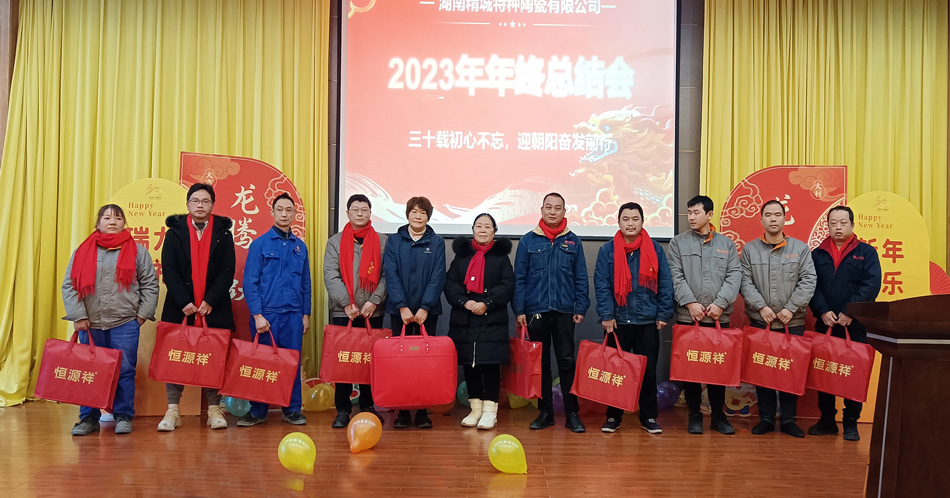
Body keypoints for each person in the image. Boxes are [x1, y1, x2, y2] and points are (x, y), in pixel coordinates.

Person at [62, 204, 160, 435]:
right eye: (106, 218)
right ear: (98, 223)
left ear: (124, 223)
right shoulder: (82, 251)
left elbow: (150, 284)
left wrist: (141, 315)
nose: (112, 222)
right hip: (90, 323)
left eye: (117, 218)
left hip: (124, 322)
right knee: (90, 371)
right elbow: (69, 285)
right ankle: (88, 418)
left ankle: (123, 415)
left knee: (125, 370)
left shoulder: (138, 251)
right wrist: (79, 316)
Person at [158, 183, 236, 431]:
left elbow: (227, 270)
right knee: (176, 357)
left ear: (212, 205)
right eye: (195, 200)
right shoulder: (174, 232)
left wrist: (210, 300)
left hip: (214, 306)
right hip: (181, 306)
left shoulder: (223, 233)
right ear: (188, 204)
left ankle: (214, 409)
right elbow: (169, 269)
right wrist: (184, 301)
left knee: (213, 357)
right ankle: (173, 411)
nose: (200, 205)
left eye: (205, 201)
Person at [513, 192, 590, 433]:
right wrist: (519, 309)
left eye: (558, 207)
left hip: (565, 310)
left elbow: (581, 277)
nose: (553, 211)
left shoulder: (573, 241)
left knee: (567, 361)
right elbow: (520, 278)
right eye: (548, 207)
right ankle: (545, 412)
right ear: (542, 210)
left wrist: (581, 306)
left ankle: (572, 414)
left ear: (564, 211)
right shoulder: (528, 241)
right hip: (536, 310)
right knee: (541, 364)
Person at [593, 202, 673, 434]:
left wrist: (663, 313)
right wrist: (607, 315)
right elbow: (601, 285)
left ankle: (648, 417)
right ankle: (613, 416)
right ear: (618, 222)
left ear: (642, 222)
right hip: (616, 322)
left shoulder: (655, 249)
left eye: (635, 219)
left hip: (647, 320)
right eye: (625, 219)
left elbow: (665, 282)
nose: (630, 223)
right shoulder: (607, 250)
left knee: (648, 372)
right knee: (614, 372)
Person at [739, 200, 817, 438]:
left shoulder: (800, 249)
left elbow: (808, 280)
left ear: (784, 218)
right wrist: (761, 307)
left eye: (777, 215)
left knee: (790, 372)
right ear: (761, 219)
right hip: (761, 322)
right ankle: (765, 418)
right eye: (768, 215)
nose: (773, 219)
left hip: (792, 323)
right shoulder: (750, 250)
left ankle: (789, 420)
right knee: (762, 372)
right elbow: (744, 281)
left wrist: (791, 308)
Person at [667, 195, 741, 435]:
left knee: (717, 371)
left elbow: (734, 275)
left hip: (718, 318)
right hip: (689, 318)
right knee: (690, 371)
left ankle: (719, 416)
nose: (691, 217)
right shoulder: (678, 243)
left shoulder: (726, 244)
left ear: (709, 215)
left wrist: (720, 304)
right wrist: (690, 303)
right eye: (689, 212)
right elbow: (675, 275)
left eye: (696, 212)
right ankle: (694, 415)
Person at [237, 193, 311, 426]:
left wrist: (305, 314)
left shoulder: (300, 247)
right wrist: (257, 315)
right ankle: (258, 411)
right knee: (263, 363)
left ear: (295, 214)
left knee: (292, 363)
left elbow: (306, 283)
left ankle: (292, 409)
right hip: (266, 315)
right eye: (280, 209)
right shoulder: (260, 244)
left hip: (293, 315)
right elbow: (250, 282)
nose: (284, 214)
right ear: (272, 212)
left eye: (289, 210)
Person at [808, 206, 882, 441]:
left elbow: (871, 285)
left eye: (843, 222)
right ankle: (827, 420)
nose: (838, 227)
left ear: (852, 224)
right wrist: (822, 310)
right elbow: (811, 284)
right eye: (833, 223)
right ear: (827, 226)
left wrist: (851, 312)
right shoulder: (818, 253)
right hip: (826, 323)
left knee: (853, 373)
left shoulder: (866, 252)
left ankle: (851, 421)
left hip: (855, 325)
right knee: (825, 372)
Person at [444, 213, 514, 430]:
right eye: (479, 226)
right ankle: (475, 410)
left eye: (487, 226)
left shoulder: (501, 258)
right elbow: (451, 283)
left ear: (494, 231)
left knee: (490, 365)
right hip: (465, 318)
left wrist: (487, 303)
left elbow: (507, 286)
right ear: (473, 229)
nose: (483, 230)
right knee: (470, 364)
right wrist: (464, 302)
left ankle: (490, 412)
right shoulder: (461, 256)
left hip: (492, 319)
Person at [324, 194, 387, 429]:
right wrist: (346, 303)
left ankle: (368, 406)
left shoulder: (383, 241)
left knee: (369, 361)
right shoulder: (335, 242)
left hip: (373, 312)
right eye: (355, 209)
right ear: (347, 213)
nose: (360, 213)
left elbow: (387, 276)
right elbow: (331, 275)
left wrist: (374, 301)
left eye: (364, 210)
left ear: (370, 213)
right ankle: (343, 409)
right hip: (344, 312)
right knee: (344, 362)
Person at [383, 196, 446, 429]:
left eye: (423, 213)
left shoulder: (437, 242)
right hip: (399, 311)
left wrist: (425, 307)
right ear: (407, 214)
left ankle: (422, 411)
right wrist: (402, 306)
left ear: (428, 217)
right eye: (414, 212)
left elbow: (438, 276)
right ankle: (402, 411)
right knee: (400, 362)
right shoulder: (394, 241)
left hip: (427, 313)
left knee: (424, 362)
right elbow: (391, 274)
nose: (418, 216)